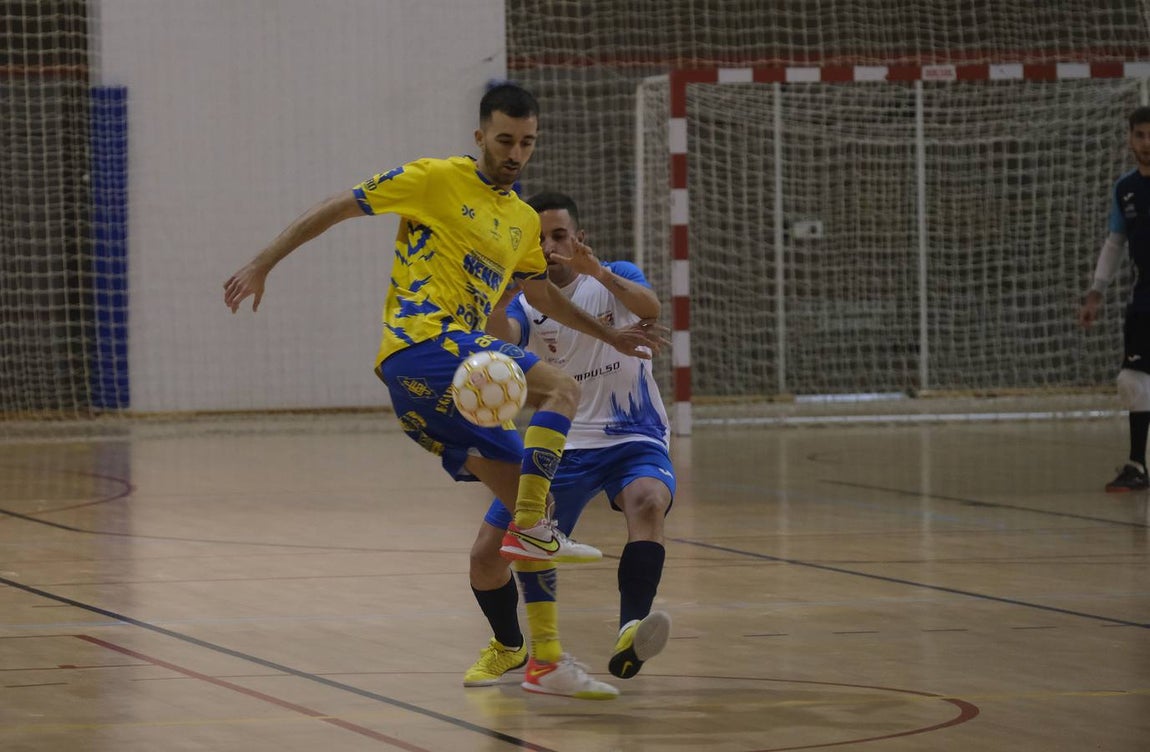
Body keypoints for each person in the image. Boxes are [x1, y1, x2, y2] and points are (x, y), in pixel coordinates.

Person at [223, 84, 665, 565]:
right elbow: (338, 205)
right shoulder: (433, 178)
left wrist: (611, 335)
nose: (516, 153)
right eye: (504, 140)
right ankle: (535, 529)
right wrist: (263, 262)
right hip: (425, 342)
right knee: (561, 390)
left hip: (426, 383)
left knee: (526, 513)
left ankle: (515, 640)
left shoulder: (521, 220)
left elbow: (543, 296)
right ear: (480, 136)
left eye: (527, 142)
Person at [464, 192, 675, 699]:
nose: (550, 246)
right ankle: (511, 644)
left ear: (576, 238)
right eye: (538, 239)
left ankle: (630, 629)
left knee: (647, 501)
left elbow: (650, 307)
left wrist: (599, 272)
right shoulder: (523, 300)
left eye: (559, 235)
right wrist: (498, 291)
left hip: (634, 433)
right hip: (562, 447)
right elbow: (500, 337)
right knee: (487, 558)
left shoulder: (614, 276)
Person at [1080, 106, 1150, 492]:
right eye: (1139, 135)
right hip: (1145, 296)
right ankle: (1137, 465)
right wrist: (1096, 292)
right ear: (1129, 138)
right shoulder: (1125, 188)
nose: (1146, 143)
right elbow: (1115, 242)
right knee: (1131, 379)